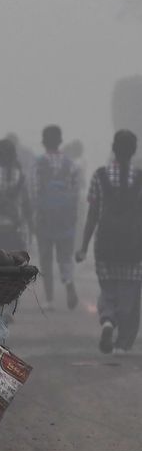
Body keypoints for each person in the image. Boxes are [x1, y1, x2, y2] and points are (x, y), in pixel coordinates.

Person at [76, 130, 142, 353]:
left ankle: (107, 321)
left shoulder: (99, 176)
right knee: (130, 294)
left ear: (113, 148)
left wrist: (84, 247)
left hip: (105, 244)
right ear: (134, 151)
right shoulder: (140, 177)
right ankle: (123, 341)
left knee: (108, 289)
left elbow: (93, 214)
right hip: (134, 248)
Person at [32, 125, 80, 310]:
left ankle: (50, 299)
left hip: (45, 218)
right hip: (65, 217)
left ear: (44, 142)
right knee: (64, 256)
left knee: (46, 258)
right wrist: (73, 215)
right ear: (60, 141)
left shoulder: (39, 163)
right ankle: (68, 282)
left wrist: (36, 215)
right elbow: (75, 192)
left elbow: (34, 192)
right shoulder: (70, 164)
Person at [0, 138, 32, 250]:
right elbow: (27, 205)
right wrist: (31, 228)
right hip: (17, 226)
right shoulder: (21, 176)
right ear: (14, 156)